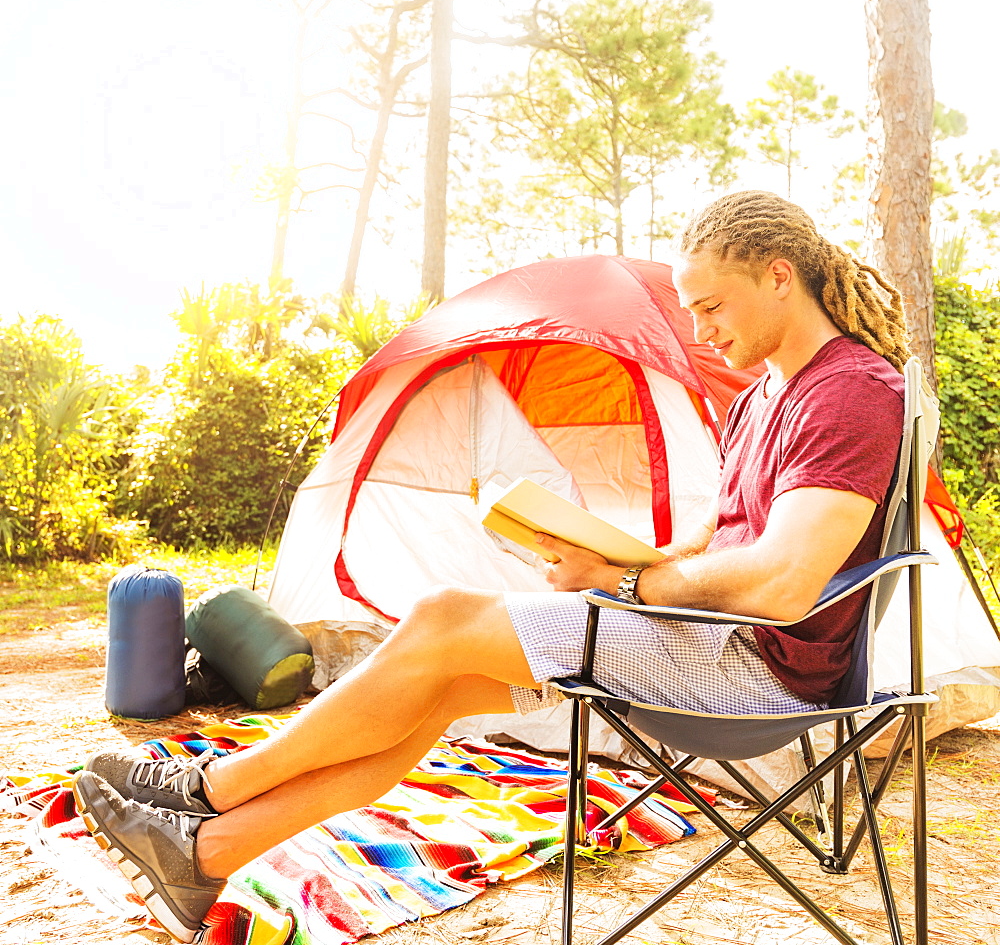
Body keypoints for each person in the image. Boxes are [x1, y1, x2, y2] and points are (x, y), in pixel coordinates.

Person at [73, 190, 910, 943]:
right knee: (436, 685)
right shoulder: (766, 393)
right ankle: (208, 853)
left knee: (443, 617)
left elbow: (784, 581)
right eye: (689, 311)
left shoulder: (849, 391)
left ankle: (208, 793)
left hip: (757, 671)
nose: (700, 332)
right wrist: (618, 557)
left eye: (712, 307)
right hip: (697, 638)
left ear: (777, 276)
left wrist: (628, 585)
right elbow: (725, 541)